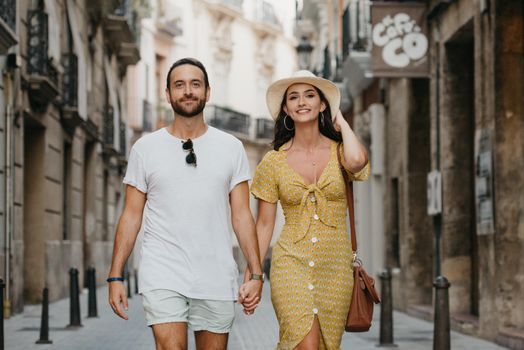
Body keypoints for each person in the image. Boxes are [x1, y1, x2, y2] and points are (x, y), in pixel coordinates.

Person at [107, 57, 263, 350]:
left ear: (207, 92)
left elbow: (242, 215)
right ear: (168, 94)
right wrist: (115, 275)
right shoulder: (145, 149)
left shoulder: (231, 148)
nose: (188, 91)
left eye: (195, 84)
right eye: (179, 85)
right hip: (162, 272)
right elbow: (130, 216)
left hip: (216, 274)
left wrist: (256, 273)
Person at [249, 70, 370, 350]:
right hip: (291, 262)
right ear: (286, 109)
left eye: (310, 95)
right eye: (293, 97)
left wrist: (341, 122)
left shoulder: (341, 151)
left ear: (322, 104)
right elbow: (264, 224)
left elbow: (357, 162)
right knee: (304, 345)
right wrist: (253, 273)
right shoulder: (272, 162)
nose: (302, 102)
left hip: (335, 268)